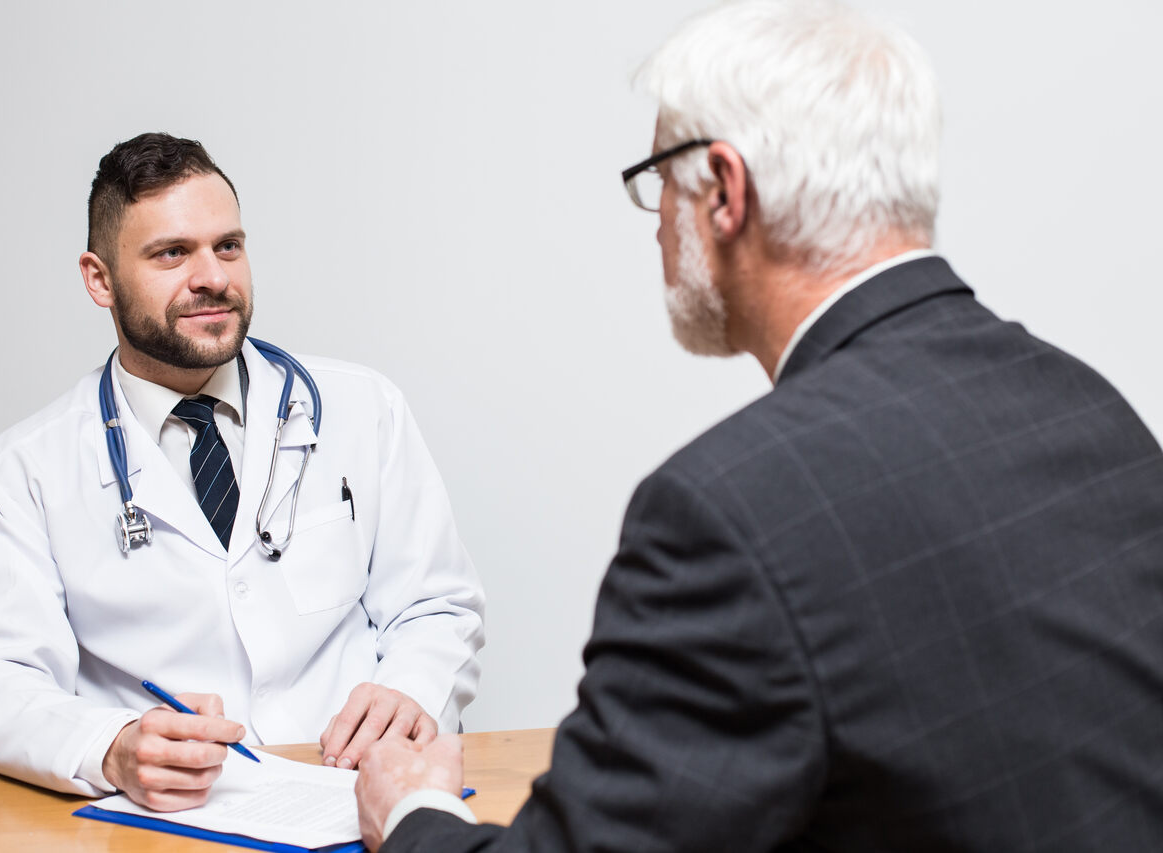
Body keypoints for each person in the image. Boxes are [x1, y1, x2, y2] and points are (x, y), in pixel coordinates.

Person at [353, 0, 1163, 849]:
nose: (659, 216)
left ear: (727, 192)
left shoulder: (727, 513)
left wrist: (412, 812)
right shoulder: (1091, 410)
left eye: (661, 178)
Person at [0, 133, 485, 811]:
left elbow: (437, 604)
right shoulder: (24, 468)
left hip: (355, 797)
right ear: (99, 278)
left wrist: (409, 688)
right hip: (169, 821)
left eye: (227, 246)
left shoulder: (362, 408)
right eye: (172, 253)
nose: (214, 277)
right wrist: (111, 744)